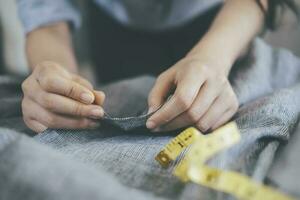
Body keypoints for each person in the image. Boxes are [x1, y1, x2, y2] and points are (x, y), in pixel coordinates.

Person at [17, 0, 296, 133]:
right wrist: (53, 77)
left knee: (212, 108)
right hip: (115, 27)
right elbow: (47, 17)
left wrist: (214, 57)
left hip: (221, 18)